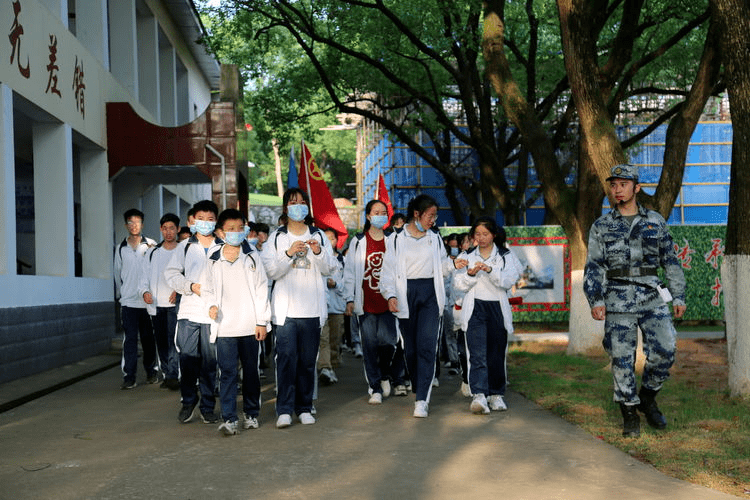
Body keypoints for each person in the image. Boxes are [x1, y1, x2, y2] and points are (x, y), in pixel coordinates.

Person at [584, 164, 686, 438]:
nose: (617, 189)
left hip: (652, 296)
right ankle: (629, 412)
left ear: (636, 188)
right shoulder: (602, 226)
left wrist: (678, 294)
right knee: (622, 358)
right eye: (614, 185)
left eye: (623, 184)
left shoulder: (655, 220)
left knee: (666, 348)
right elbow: (594, 265)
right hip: (617, 299)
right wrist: (595, 299)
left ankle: (648, 397)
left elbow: (670, 260)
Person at [380, 194, 466, 417]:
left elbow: (441, 266)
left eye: (435, 216)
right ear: (417, 214)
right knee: (411, 349)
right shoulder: (396, 238)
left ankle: (422, 400)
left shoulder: (434, 238)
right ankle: (419, 385)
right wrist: (390, 295)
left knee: (428, 346)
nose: (433, 220)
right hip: (406, 294)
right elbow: (387, 271)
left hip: (429, 295)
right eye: (430, 215)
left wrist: (454, 264)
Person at [261, 188, 338, 428]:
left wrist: (316, 251)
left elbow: (330, 268)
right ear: (286, 208)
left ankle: (304, 407)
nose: (298, 206)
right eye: (293, 202)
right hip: (286, 313)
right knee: (285, 360)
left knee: (307, 362)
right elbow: (271, 271)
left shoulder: (319, 235)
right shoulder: (276, 238)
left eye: (302, 202)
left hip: (312, 311)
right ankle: (284, 409)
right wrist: (289, 253)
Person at [203, 209, 271, 436]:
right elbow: (208, 288)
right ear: (221, 232)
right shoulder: (213, 258)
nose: (235, 232)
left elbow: (262, 289)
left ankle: (251, 414)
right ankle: (229, 418)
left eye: (239, 228)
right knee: (228, 373)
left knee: (251, 372)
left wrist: (262, 321)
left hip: (250, 326)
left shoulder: (252, 256)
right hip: (224, 327)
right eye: (230, 229)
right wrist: (210, 305)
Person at [453, 217, 523, 414]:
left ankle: (496, 394)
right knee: (477, 353)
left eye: (485, 234)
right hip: (475, 308)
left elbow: (508, 280)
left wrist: (490, 270)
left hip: (497, 308)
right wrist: (471, 274)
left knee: (496, 352)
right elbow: (457, 283)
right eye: (477, 234)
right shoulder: (467, 255)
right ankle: (479, 395)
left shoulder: (505, 254)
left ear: (493, 235)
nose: (481, 238)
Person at [165, 200, 223, 424]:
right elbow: (171, 274)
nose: (206, 223)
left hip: (213, 315)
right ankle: (188, 401)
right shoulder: (185, 246)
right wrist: (190, 286)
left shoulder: (223, 246)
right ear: (193, 221)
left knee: (210, 363)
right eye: (201, 219)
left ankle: (207, 406)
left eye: (210, 219)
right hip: (189, 313)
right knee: (188, 360)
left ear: (215, 221)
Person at [344, 200, 406, 404]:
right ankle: (375, 387)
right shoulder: (359, 240)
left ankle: (385, 373)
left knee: (389, 342)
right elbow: (350, 271)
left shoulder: (394, 239)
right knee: (369, 345)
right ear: (368, 216)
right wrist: (350, 299)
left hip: (389, 302)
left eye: (383, 212)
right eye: (376, 212)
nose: (380, 215)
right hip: (366, 301)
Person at [114, 208, 158, 390]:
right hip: (129, 302)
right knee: (130, 339)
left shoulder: (151, 245)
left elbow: (156, 271)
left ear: (142, 224)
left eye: (137, 222)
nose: (134, 226)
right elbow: (117, 273)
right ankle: (129, 376)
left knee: (148, 338)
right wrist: (121, 294)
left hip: (147, 302)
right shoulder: (121, 248)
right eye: (130, 223)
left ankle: (151, 371)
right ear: (126, 225)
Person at [139, 213, 181, 390]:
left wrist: (179, 290)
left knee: (174, 342)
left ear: (178, 229)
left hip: (175, 305)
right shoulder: (152, 252)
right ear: (161, 230)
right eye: (165, 228)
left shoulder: (183, 250)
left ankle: (173, 375)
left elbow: (189, 275)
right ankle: (166, 373)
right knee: (162, 342)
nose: (168, 232)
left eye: (172, 228)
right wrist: (145, 292)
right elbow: (144, 276)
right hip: (157, 305)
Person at [318, 228, 346, 385]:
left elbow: (347, 282)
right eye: (326, 239)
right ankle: (325, 367)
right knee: (324, 338)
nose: (329, 242)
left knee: (335, 339)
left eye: (332, 239)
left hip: (337, 306)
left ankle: (332, 365)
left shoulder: (342, 260)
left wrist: (335, 284)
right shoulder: (318, 257)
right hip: (322, 306)